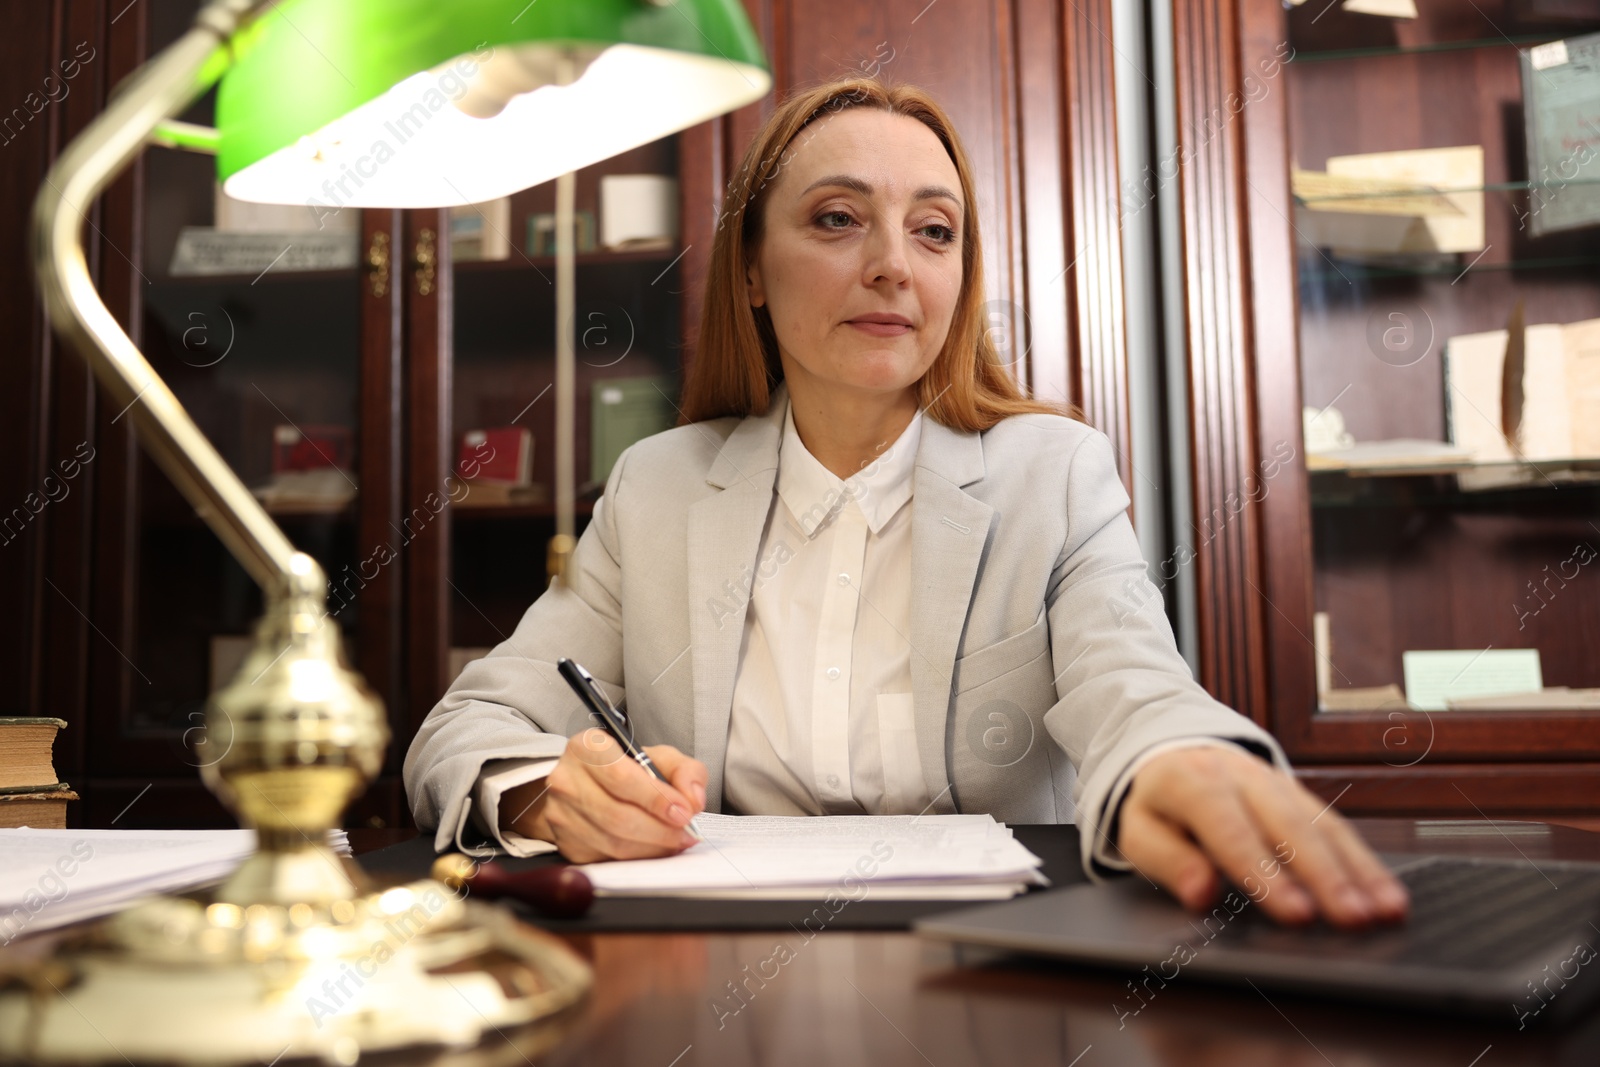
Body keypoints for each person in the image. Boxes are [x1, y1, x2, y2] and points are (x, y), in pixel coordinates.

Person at [404, 77, 1408, 929]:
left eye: (934, 230)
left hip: (996, 963)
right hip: (703, 959)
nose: (892, 262)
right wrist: (546, 793)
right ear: (750, 268)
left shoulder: (1053, 474)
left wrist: (1177, 757)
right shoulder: (657, 485)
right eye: (837, 219)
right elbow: (467, 726)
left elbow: (1134, 681)